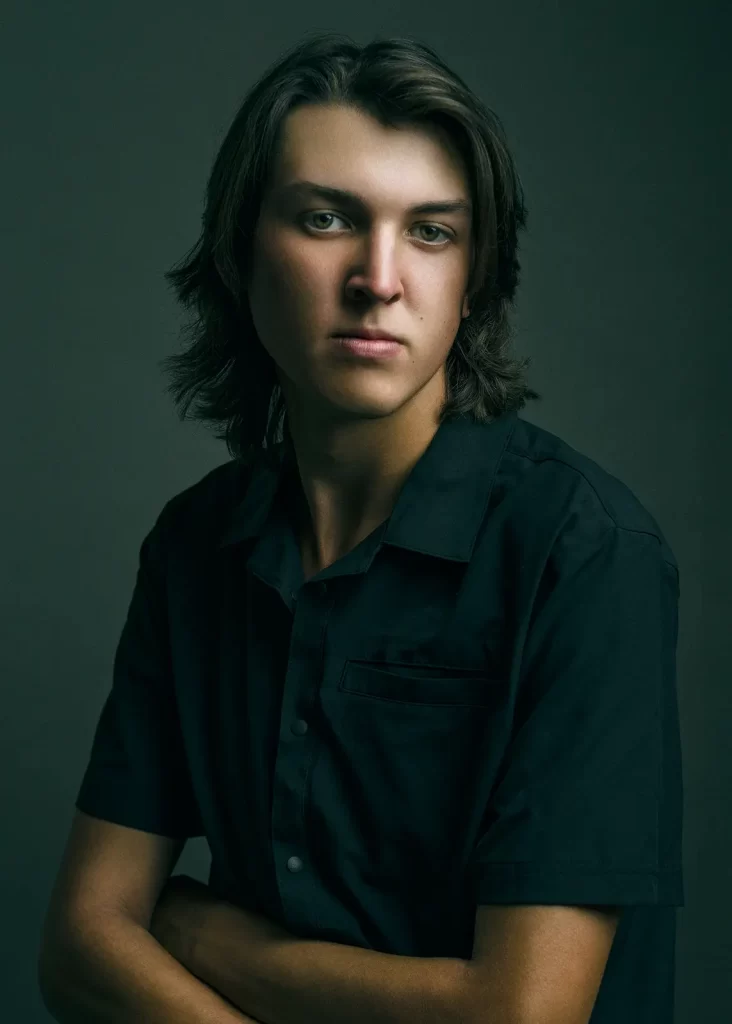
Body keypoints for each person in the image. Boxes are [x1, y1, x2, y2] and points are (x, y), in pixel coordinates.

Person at [41, 31, 684, 1024]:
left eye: (431, 231)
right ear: (239, 247)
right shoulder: (193, 547)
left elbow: (520, 1013)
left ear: (474, 279)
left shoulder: (585, 553)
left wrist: (206, 935)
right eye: (328, 218)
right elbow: (82, 945)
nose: (378, 277)